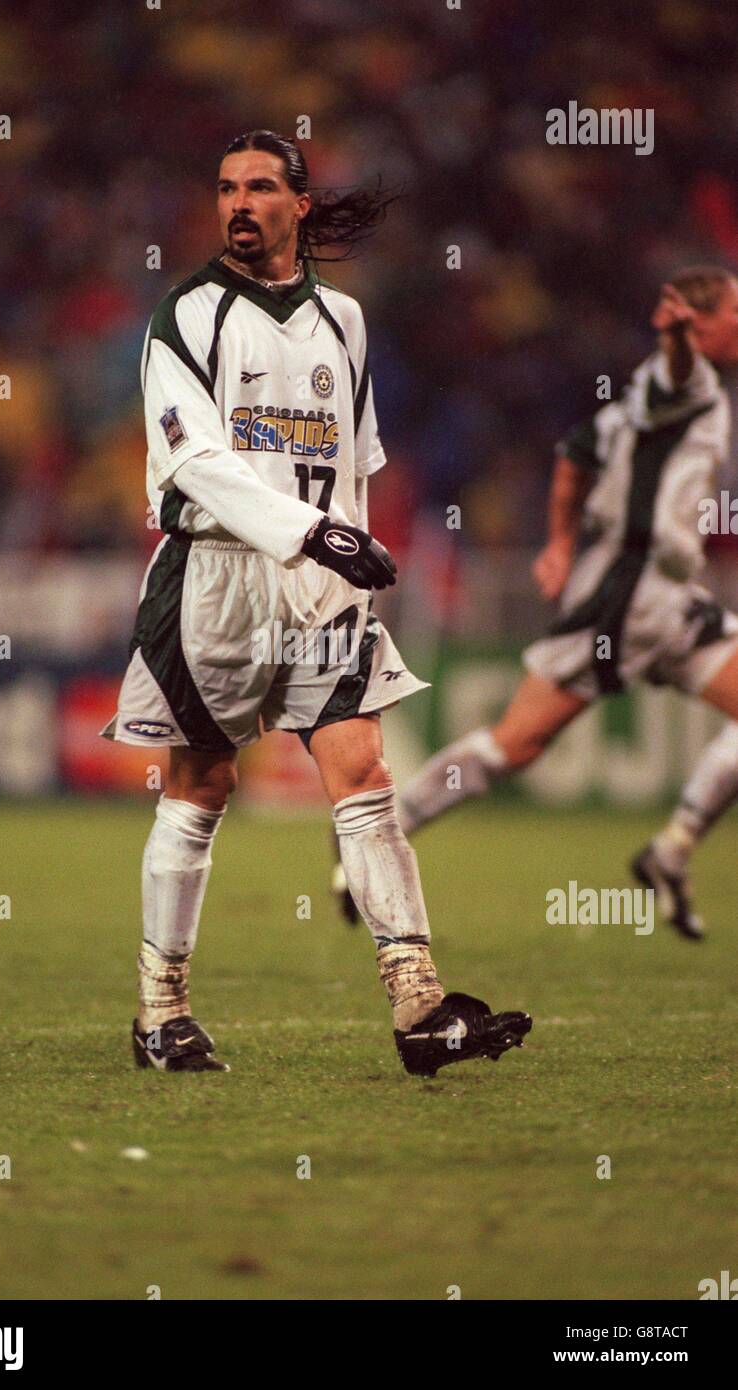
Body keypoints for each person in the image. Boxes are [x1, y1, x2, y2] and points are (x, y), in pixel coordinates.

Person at [102, 130, 532, 1076]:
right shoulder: (185, 314)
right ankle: (158, 1011)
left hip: (323, 586)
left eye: (259, 186)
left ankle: (419, 1003)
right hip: (214, 575)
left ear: (300, 204)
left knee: (365, 775)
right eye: (224, 188)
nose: (237, 204)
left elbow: (355, 463)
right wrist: (310, 531)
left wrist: (349, 547)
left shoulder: (346, 319)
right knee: (202, 788)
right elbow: (193, 461)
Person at [335, 270, 738, 940]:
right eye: (734, 309)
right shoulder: (684, 377)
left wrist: (558, 542)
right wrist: (675, 340)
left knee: (514, 744)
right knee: (513, 743)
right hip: (628, 600)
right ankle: (377, 833)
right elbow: (664, 379)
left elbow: (575, 455)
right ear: (698, 323)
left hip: (667, 596)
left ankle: (671, 849)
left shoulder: (649, 393)